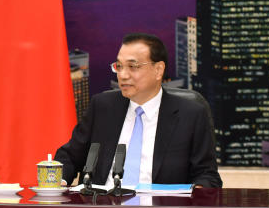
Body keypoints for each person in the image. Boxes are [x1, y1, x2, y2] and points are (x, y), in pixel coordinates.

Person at [54, 33, 222, 189]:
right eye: (119, 66)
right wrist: (58, 182)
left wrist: (196, 196)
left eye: (132, 66)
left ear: (158, 70)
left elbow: (207, 175)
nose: (123, 75)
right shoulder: (102, 106)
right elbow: (69, 156)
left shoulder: (190, 114)